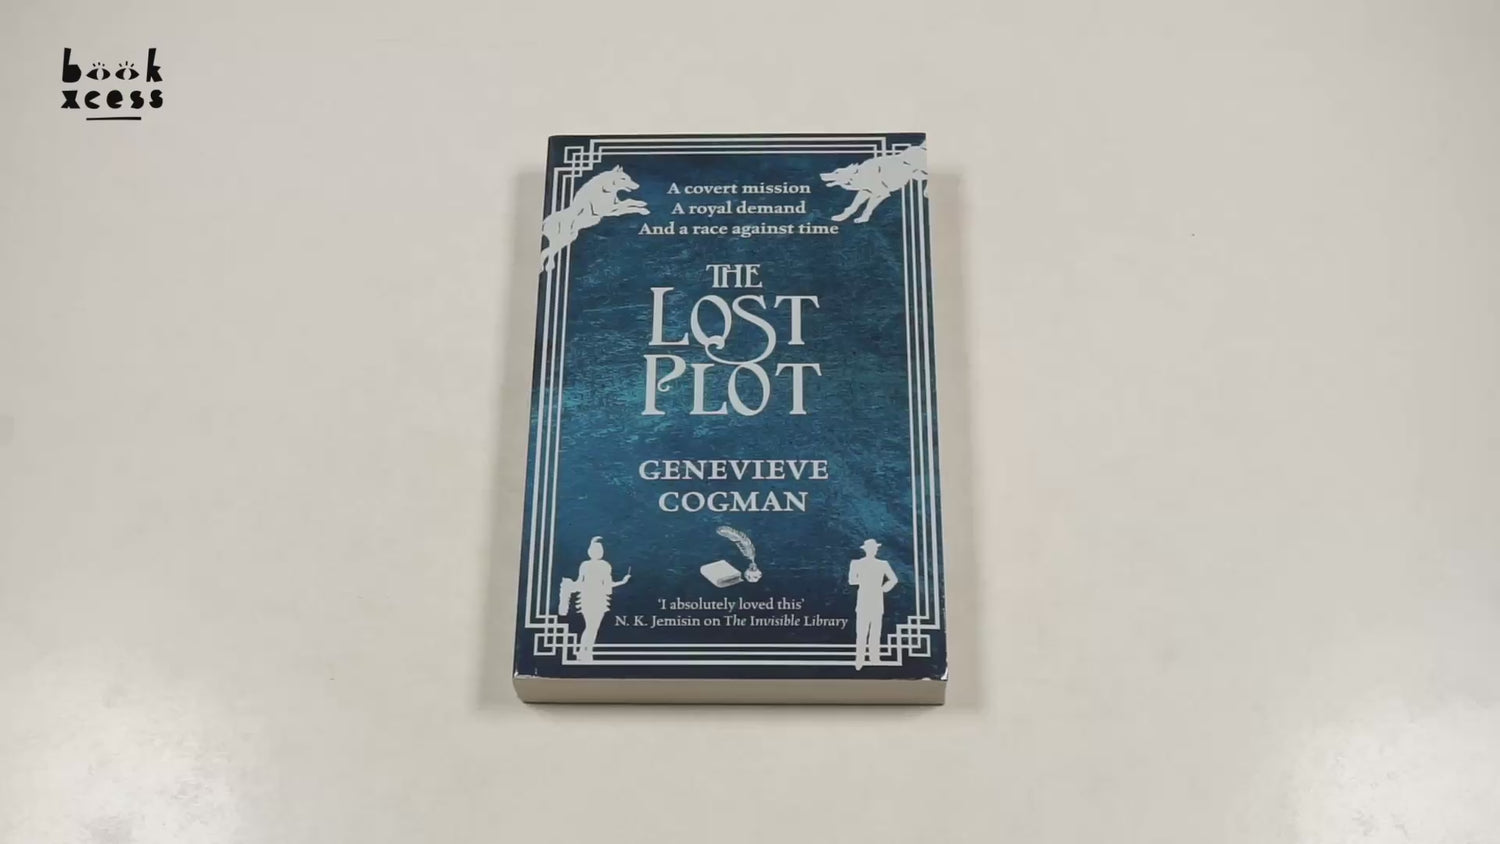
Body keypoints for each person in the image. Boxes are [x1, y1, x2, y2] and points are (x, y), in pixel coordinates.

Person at [568, 536, 630, 662]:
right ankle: (585, 653)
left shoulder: (588, 565)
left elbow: (581, 583)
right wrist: (622, 582)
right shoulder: (602, 565)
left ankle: (584, 652)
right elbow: (607, 585)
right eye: (597, 549)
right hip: (593, 598)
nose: (599, 552)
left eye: (600, 549)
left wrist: (622, 582)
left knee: (591, 627)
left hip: (592, 598)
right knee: (592, 627)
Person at [848, 538, 897, 669]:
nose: (873, 550)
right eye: (871, 548)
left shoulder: (883, 564)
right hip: (864, 601)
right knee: (862, 632)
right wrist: (866, 582)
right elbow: (851, 580)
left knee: (875, 632)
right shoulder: (856, 563)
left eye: (874, 548)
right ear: (866, 550)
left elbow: (893, 579)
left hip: (876, 601)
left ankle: (874, 658)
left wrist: (882, 589)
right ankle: (860, 659)